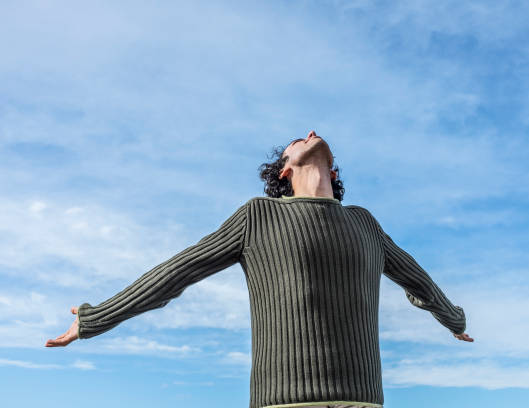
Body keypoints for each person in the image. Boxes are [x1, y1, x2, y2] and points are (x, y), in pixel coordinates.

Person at [46, 130, 473, 408]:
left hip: (362, 401)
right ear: (285, 169)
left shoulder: (364, 223)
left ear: (333, 168)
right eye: (296, 140)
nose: (309, 134)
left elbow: (419, 281)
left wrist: (453, 320)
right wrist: (94, 319)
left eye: (311, 134)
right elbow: (179, 271)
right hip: (282, 401)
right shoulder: (258, 217)